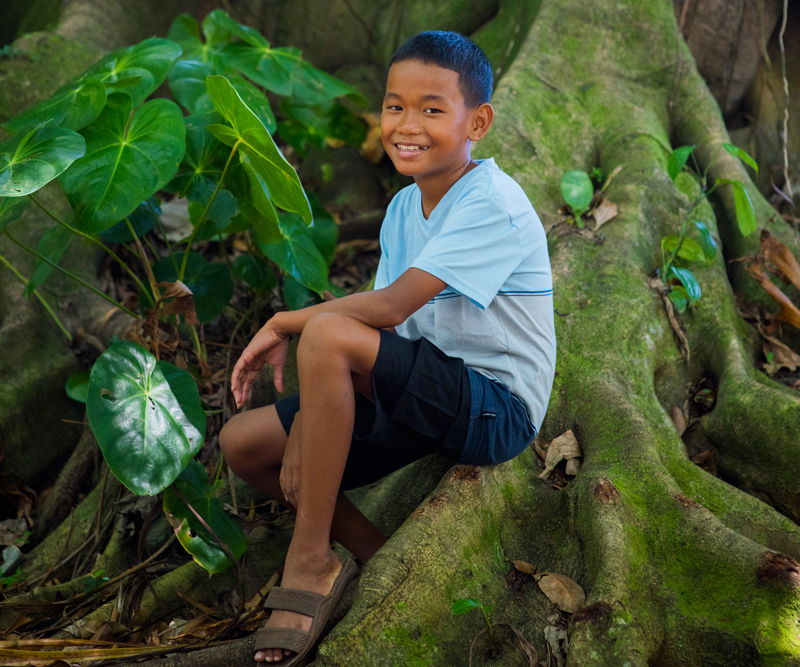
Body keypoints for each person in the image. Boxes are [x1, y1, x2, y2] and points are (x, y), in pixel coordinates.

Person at [219, 30, 556, 665]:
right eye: (395, 105)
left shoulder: (492, 203)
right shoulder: (404, 206)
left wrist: (286, 321)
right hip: (422, 390)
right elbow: (386, 333)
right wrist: (304, 431)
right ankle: (376, 561)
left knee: (325, 331)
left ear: (477, 121)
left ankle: (310, 561)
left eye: (433, 108)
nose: (407, 124)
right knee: (243, 444)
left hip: (493, 409)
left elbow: (388, 307)